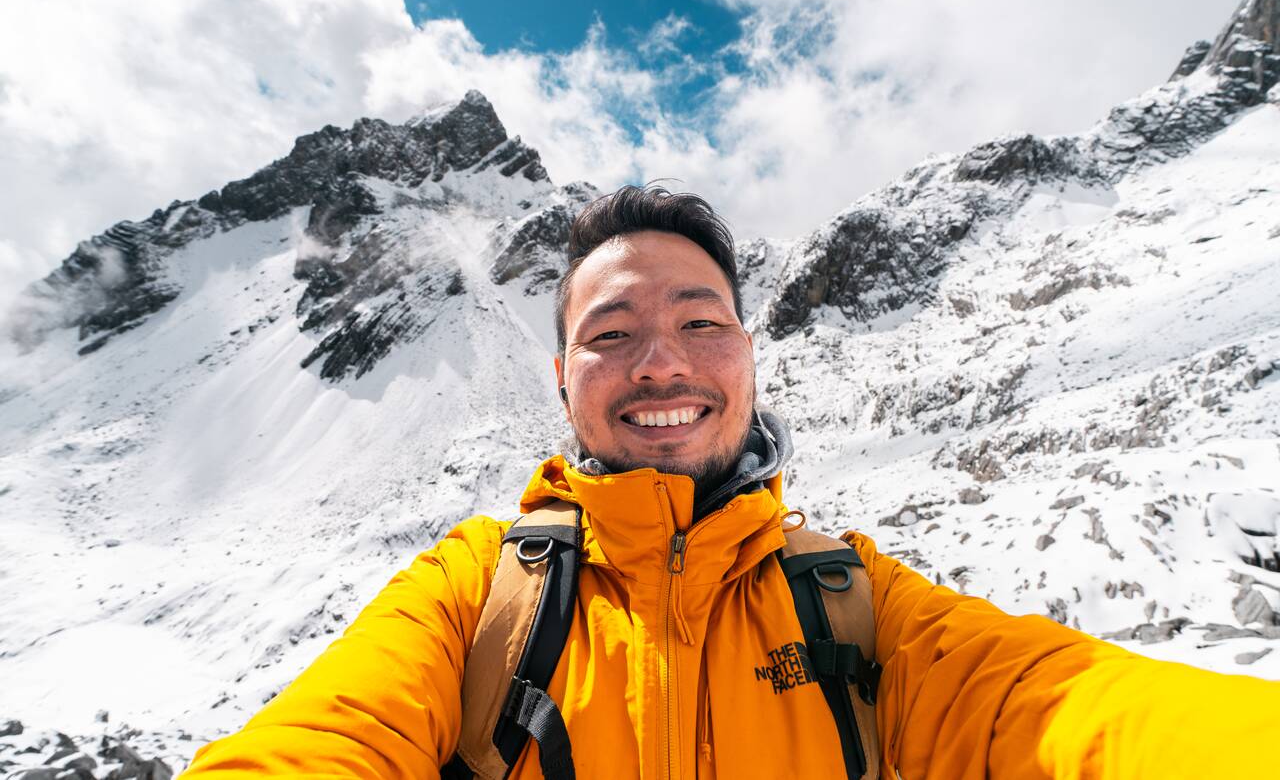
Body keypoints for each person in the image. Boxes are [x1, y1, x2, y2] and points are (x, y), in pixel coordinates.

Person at [184, 186, 1279, 779]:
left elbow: (1056, 706)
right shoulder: (472, 594)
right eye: (611, 335)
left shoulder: (854, 601)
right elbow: (321, 742)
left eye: (698, 323)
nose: (659, 362)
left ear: (748, 357)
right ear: (563, 380)